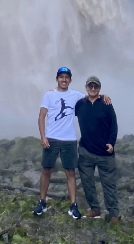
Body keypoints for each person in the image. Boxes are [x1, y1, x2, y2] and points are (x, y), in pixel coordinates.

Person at [33, 66, 85, 219]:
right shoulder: (49, 95)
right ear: (57, 79)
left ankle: (73, 205)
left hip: (69, 139)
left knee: (70, 172)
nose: (64, 79)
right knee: (46, 170)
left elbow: (92, 97)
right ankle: (42, 202)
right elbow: (41, 116)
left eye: (66, 77)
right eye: (61, 77)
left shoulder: (76, 95)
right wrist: (43, 137)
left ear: (70, 80)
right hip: (52, 138)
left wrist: (104, 96)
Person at [76, 75, 119, 222]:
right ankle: (94, 208)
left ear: (99, 88)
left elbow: (114, 125)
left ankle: (113, 214)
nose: (93, 88)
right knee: (87, 182)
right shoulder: (80, 104)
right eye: (90, 86)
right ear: (86, 87)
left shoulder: (106, 104)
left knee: (109, 184)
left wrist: (111, 143)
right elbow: (64, 112)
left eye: (96, 86)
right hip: (85, 151)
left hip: (105, 153)